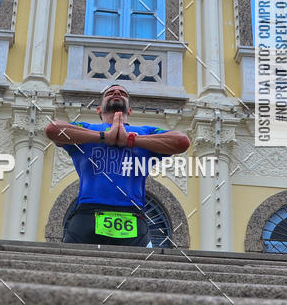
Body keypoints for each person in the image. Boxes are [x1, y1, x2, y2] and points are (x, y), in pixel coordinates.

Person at [45, 83, 190, 246]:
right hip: (87, 214)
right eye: (110, 93)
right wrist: (104, 136)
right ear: (99, 110)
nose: (116, 93)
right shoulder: (86, 129)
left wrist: (131, 140)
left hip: (133, 217)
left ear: (129, 110)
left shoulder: (146, 132)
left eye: (122, 93)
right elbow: (53, 128)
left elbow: (181, 141)